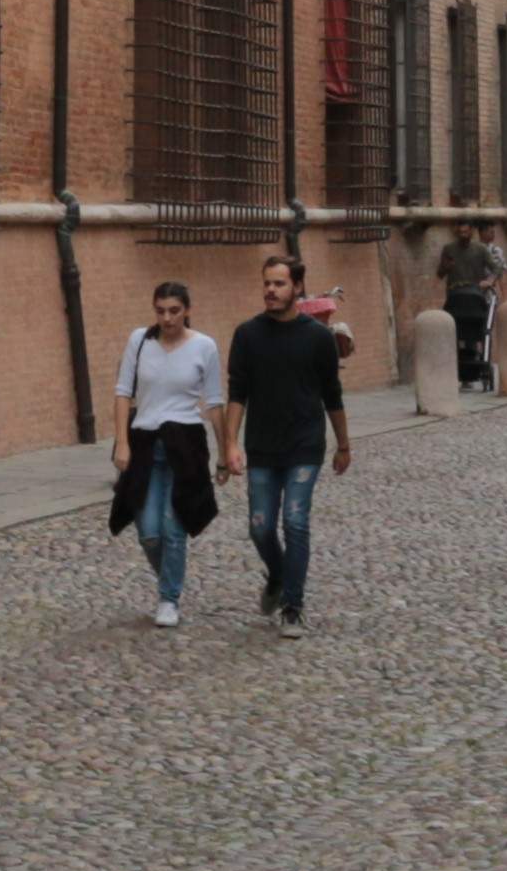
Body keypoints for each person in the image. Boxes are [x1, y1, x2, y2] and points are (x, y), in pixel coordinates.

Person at [222, 259, 355, 632]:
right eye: (267, 283)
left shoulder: (318, 338)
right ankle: (279, 576)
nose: (270, 290)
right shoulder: (247, 335)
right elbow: (237, 393)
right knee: (260, 527)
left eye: (279, 283)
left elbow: (332, 395)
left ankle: (293, 606)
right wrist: (230, 444)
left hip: (304, 445)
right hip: (262, 446)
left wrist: (343, 445)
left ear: (297, 287)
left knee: (295, 522)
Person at [109, 281, 225, 629]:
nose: (167, 318)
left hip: (185, 445)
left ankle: (168, 598)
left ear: (187, 310)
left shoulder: (204, 346)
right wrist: (122, 442)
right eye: (160, 311)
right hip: (145, 443)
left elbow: (214, 402)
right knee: (148, 532)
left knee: (174, 528)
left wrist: (225, 451)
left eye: (174, 311)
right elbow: (122, 392)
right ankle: (170, 580)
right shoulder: (139, 341)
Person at [438, 226, 501, 393]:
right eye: (460, 232)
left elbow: (496, 268)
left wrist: (489, 281)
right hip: (455, 299)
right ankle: (459, 371)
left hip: (476, 298)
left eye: (466, 232)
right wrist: (446, 267)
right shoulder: (448, 249)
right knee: (455, 333)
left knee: (474, 333)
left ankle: (472, 372)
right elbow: (440, 273)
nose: (463, 235)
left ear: (471, 232)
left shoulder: (480, 249)